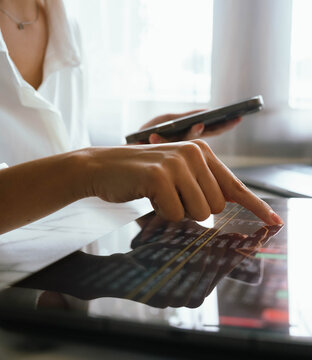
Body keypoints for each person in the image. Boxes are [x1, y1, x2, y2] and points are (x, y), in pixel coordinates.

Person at [0, 0, 282, 234]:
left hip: (63, 269)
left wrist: (133, 158)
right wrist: (87, 168)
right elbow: (75, 171)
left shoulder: (64, 24)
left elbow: (59, 165)